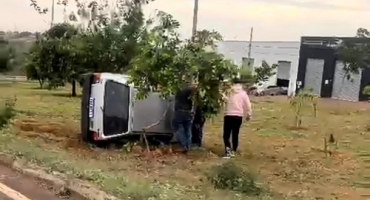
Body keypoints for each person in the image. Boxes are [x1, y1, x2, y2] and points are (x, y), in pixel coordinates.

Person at [222, 80, 252, 158]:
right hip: (238, 116)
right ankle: (234, 150)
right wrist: (249, 114)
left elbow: (225, 100)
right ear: (241, 85)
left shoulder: (229, 92)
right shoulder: (243, 94)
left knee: (226, 135)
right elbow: (248, 105)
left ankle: (227, 151)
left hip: (228, 115)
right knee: (235, 134)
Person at [173, 84, 197, 154]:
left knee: (178, 128)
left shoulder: (180, 89)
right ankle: (188, 146)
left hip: (180, 111)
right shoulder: (190, 91)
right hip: (188, 112)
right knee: (188, 129)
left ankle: (184, 146)